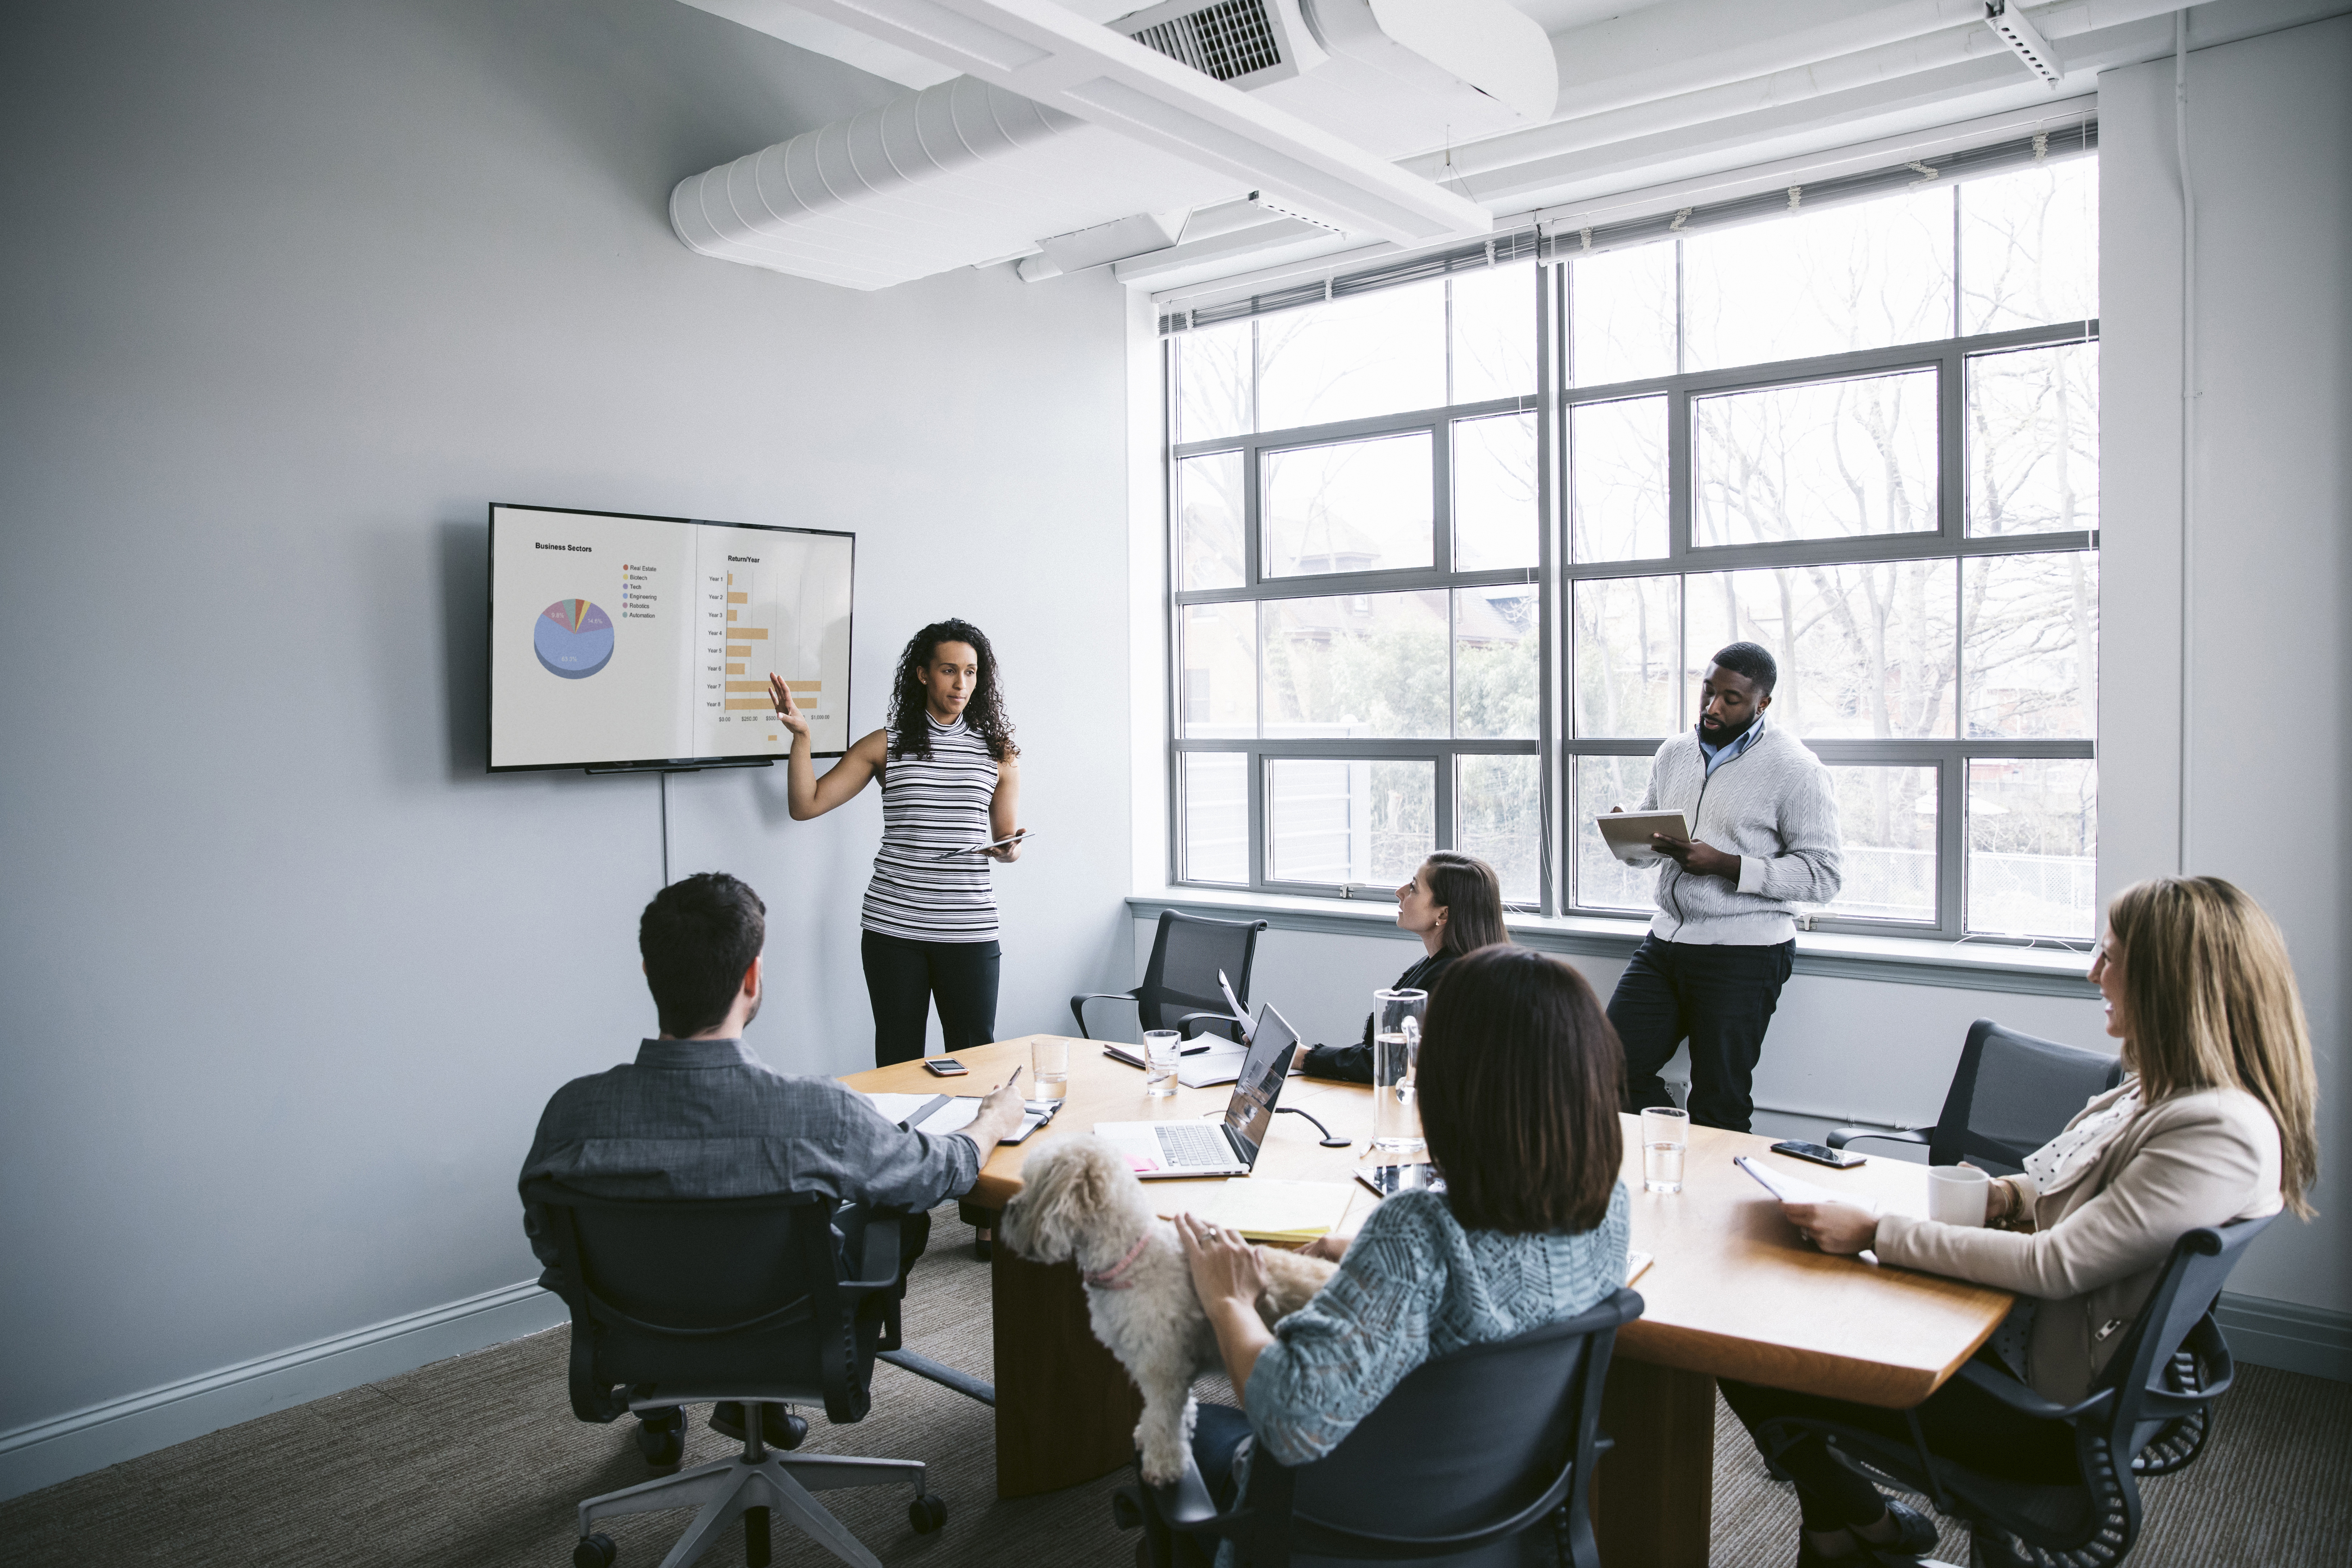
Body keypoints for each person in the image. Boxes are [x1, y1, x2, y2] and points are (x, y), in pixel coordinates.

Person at [1720, 875, 2320, 1567]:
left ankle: (1856, 1518)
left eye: (2109, 954)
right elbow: (2050, 1181)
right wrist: (1999, 1196)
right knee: (1774, 1305)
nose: (2093, 970)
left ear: (2166, 980)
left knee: (1745, 1343)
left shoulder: (2214, 1130)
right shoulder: (2159, 1088)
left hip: (2035, 1412)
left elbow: (2057, 1264)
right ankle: (1850, 1531)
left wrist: (1874, 1232)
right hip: (2013, 1337)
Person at [518, 871, 1027, 1447]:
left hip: (638, 1339)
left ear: (649, 975)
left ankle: (667, 1405)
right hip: (792, 1340)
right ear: (753, 977)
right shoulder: (816, 1111)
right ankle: (757, 1391)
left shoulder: (572, 1114)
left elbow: (552, 1245)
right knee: (894, 1205)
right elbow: (936, 1174)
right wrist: (991, 1122)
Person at [1178, 946, 1631, 1509]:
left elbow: (1289, 1420)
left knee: (1184, 1422)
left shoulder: (1413, 1231)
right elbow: (1497, 1281)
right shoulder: (1611, 1208)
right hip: (1500, 1506)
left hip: (1349, 1526)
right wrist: (1368, 1256)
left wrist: (1229, 1299)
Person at [767, 618, 1025, 1069]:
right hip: (894, 929)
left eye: (971, 671)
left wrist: (1010, 848)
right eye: (949, 670)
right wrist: (802, 739)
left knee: (974, 1059)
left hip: (969, 928)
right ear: (924, 674)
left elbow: (1008, 838)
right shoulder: (886, 745)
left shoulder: (998, 751)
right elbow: (805, 804)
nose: (961, 683)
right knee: (898, 1058)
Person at [1604, 641, 1840, 1132]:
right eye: (1707, 691)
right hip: (1666, 942)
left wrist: (1726, 865)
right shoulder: (1673, 753)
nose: (1712, 707)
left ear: (1762, 703)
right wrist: (1631, 836)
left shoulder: (1797, 770)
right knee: (1605, 1066)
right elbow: (1650, 851)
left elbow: (1822, 876)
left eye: (1730, 698)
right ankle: (1670, 1152)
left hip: (1744, 954)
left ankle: (1712, 1195)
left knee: (1719, 1100)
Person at [1291, 851, 1510, 1082]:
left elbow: (1395, 1064)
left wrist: (1304, 1057)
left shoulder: (1452, 980)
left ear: (1443, 913)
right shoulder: (1436, 964)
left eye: (1414, 888)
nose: (1400, 892)